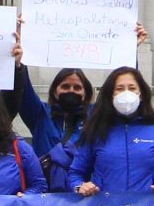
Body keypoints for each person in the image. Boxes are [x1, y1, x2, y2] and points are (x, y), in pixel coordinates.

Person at [68, 67, 154, 197]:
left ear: (141, 93)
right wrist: (80, 186)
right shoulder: (95, 130)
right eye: (119, 89)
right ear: (110, 95)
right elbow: (75, 174)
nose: (126, 93)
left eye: (132, 88)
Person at [12, 62, 97, 193]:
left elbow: (121, 91)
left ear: (85, 92)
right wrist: (19, 65)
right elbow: (24, 90)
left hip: (83, 193)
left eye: (77, 87)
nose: (71, 90)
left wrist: (130, 50)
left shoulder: (95, 116)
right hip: (43, 195)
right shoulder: (40, 114)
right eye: (65, 86)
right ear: (55, 91)